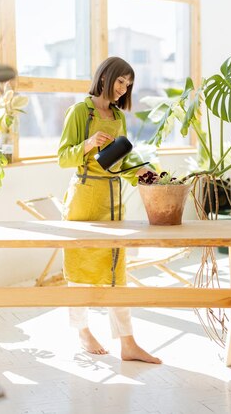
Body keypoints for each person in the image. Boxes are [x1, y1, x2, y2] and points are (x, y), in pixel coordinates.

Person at [57, 57, 161, 364]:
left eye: (128, 84)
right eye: (120, 81)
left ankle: (127, 343)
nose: (123, 88)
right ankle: (82, 331)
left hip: (113, 201)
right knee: (80, 272)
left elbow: (120, 162)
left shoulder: (118, 115)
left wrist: (144, 174)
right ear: (105, 77)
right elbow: (63, 157)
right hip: (85, 200)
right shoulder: (80, 112)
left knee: (118, 273)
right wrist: (87, 144)